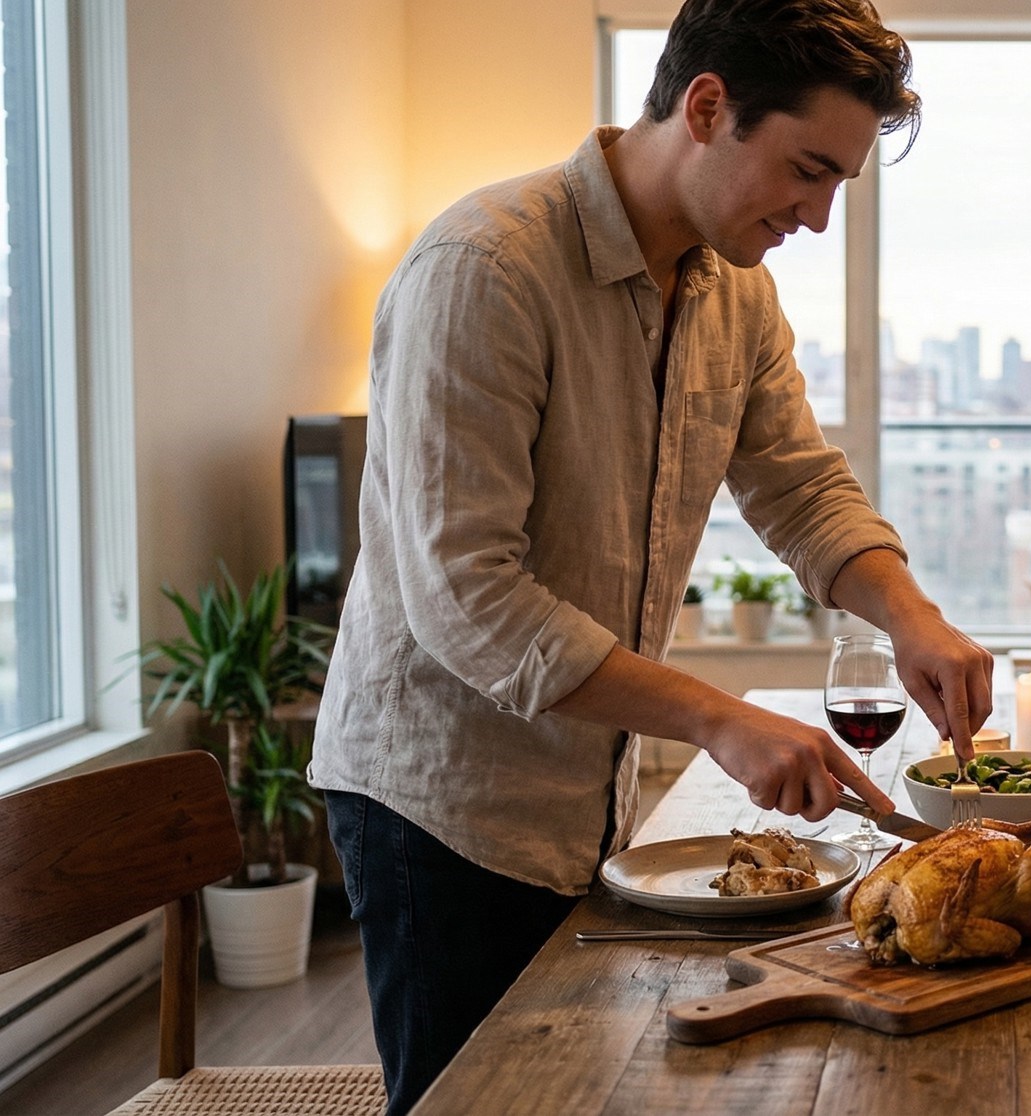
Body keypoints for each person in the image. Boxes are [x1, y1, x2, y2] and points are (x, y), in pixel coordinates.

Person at [306, 3, 991, 1111]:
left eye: (838, 189)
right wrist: (719, 717)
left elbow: (797, 483)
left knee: (573, 1092)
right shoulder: (484, 267)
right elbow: (467, 600)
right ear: (708, 106)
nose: (816, 218)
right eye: (805, 172)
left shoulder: (736, 291)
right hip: (438, 808)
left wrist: (913, 617)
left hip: (586, 797)